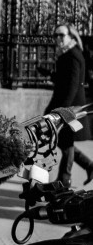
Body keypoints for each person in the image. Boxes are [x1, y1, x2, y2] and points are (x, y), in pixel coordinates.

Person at [40, 24, 93, 186]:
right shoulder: (66, 54)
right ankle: (88, 166)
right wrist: (50, 74)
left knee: (66, 141)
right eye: (55, 35)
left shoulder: (73, 55)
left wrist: (63, 110)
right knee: (62, 141)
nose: (57, 39)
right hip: (65, 105)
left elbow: (73, 85)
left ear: (71, 36)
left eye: (61, 35)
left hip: (70, 107)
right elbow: (65, 80)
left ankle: (64, 180)